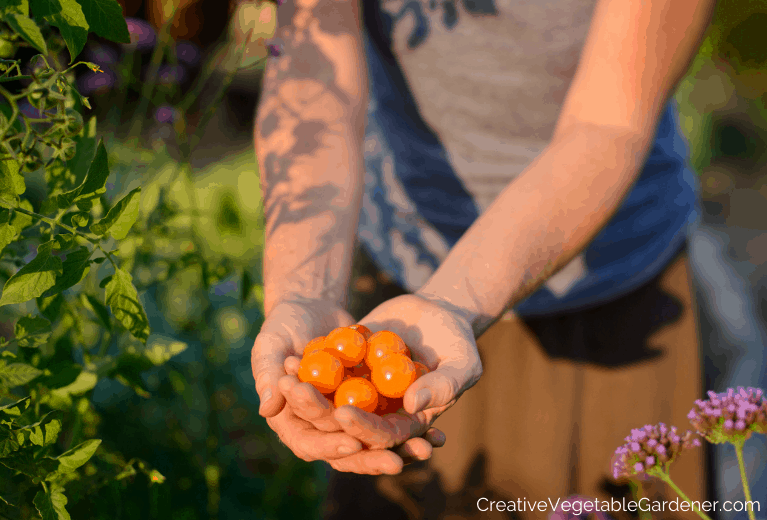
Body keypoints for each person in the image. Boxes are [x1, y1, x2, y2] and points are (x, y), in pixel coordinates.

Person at [251, 0, 718, 516]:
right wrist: (306, 291)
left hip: (612, 289)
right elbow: (315, 72)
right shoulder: (372, 344)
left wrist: (454, 300)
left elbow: (609, 124)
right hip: (406, 271)